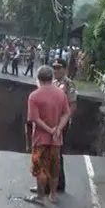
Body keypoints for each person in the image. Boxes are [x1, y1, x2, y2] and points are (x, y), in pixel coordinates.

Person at [30, 58, 78, 194]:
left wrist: (60, 125)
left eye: (59, 67)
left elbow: (72, 106)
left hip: (60, 124)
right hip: (48, 123)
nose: (56, 70)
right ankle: (44, 185)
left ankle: (58, 184)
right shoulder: (53, 83)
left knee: (56, 155)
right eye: (54, 67)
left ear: (65, 69)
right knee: (45, 153)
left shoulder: (69, 84)